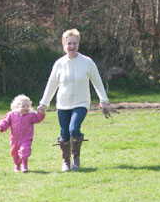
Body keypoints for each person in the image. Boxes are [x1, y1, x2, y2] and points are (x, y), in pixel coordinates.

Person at [37, 28, 117, 172]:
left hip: (81, 103)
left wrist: (103, 100)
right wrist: (44, 103)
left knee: (74, 128)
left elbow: (97, 81)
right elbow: (52, 84)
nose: (72, 46)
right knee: (64, 133)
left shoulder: (87, 62)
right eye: (69, 44)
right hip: (63, 104)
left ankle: (76, 158)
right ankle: (65, 161)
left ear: (78, 44)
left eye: (74, 43)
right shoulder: (59, 63)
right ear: (64, 45)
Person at [0, 94, 46, 173]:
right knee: (15, 153)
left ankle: (24, 165)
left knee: (24, 150)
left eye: (27, 106)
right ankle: (17, 165)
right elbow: (5, 121)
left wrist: (41, 113)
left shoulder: (31, 115)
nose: (26, 108)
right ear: (16, 107)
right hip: (14, 138)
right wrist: (1, 127)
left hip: (26, 138)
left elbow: (38, 119)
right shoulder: (11, 115)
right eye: (23, 106)